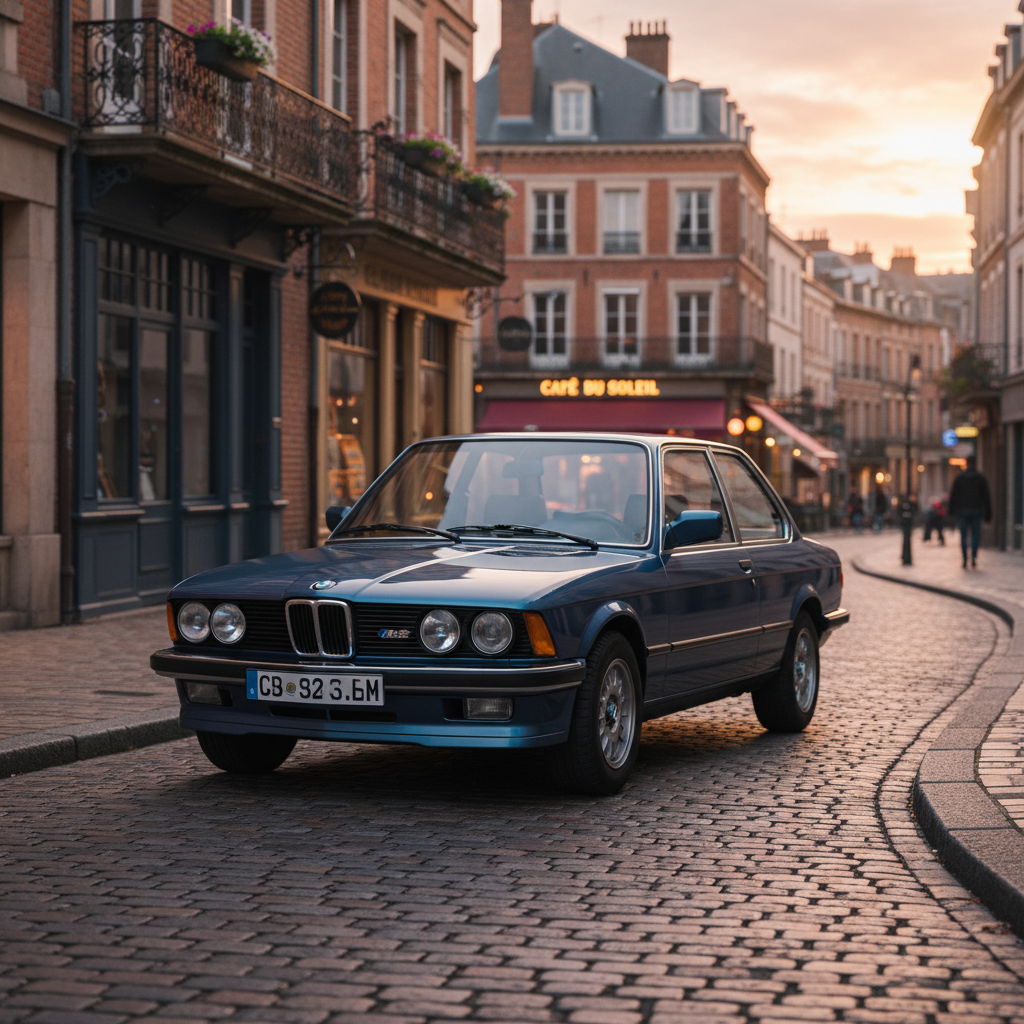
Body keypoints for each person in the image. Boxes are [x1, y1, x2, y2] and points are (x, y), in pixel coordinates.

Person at [947, 457, 992, 568]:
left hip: (962, 511)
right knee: (975, 535)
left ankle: (964, 558)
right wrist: (988, 514)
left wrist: (951, 511)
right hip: (976, 510)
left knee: (963, 536)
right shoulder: (980, 478)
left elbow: (953, 495)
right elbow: (986, 497)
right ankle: (974, 557)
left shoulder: (959, 478)